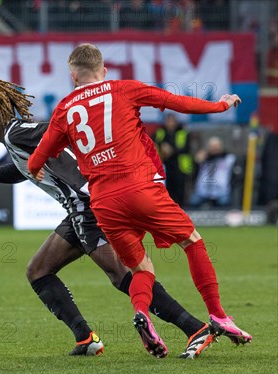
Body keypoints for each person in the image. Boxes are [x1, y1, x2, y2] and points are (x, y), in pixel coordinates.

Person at [27, 44, 252, 357]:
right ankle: (218, 315)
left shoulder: (65, 109)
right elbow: (176, 102)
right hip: (140, 188)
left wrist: (35, 169)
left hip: (104, 204)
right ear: (103, 71)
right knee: (192, 241)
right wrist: (220, 106)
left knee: (141, 268)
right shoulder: (124, 89)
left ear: (73, 76)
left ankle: (144, 315)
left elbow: (39, 156)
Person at [0, 80, 216, 359]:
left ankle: (194, 328)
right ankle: (85, 337)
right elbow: (24, 168)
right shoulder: (16, 140)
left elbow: (56, 135)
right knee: (38, 270)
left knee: (121, 274)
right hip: (78, 209)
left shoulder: (18, 134)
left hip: (86, 206)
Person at [154, 113, 193, 207]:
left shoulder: (183, 132)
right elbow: (153, 143)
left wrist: (172, 150)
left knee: (180, 189)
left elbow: (186, 148)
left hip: (180, 166)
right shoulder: (160, 132)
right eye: (169, 121)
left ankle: (182, 209)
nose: (171, 123)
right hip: (164, 165)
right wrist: (161, 146)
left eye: (173, 121)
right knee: (166, 189)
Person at [188, 136, 237, 208]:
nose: (214, 148)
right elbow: (191, 173)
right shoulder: (203, 158)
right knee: (193, 202)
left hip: (221, 192)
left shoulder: (228, 158)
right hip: (202, 192)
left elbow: (235, 173)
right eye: (212, 146)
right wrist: (196, 162)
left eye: (216, 146)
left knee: (224, 202)